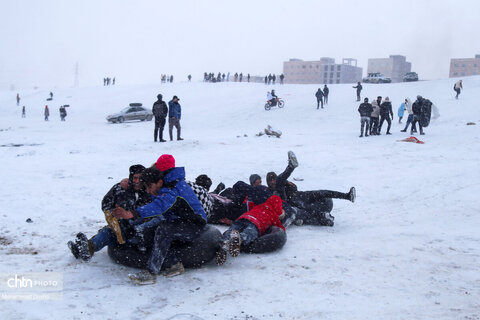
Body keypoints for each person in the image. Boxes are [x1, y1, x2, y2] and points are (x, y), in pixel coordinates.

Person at [117, 156, 208, 284]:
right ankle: (173, 264)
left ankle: (151, 273)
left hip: (194, 224)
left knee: (164, 229)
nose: (148, 191)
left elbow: (160, 206)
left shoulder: (174, 187)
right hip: (176, 221)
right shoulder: (165, 185)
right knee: (148, 233)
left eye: (149, 187)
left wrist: (133, 213)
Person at [67, 165, 151, 261]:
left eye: (140, 179)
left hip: (140, 232)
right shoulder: (120, 189)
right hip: (121, 230)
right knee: (107, 232)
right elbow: (106, 203)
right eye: (135, 178)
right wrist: (113, 213)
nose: (137, 181)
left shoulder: (149, 191)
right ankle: (87, 248)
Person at [215, 195, 285, 265]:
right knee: (250, 232)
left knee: (231, 230)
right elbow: (279, 227)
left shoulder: (259, 206)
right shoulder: (273, 214)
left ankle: (224, 243)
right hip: (255, 222)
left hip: (243, 218)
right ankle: (240, 238)